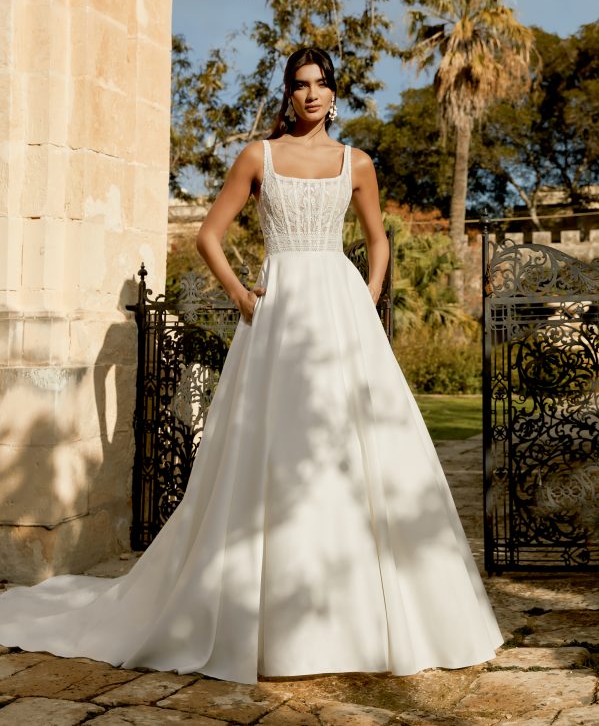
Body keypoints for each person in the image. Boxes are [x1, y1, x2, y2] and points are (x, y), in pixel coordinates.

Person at [0, 47, 503, 684]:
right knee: (276, 451)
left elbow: (379, 239)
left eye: (321, 84)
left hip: (343, 316)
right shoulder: (259, 157)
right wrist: (242, 297)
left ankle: (368, 616)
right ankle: (269, 615)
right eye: (300, 85)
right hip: (279, 317)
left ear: (334, 93)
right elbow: (210, 234)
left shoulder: (359, 163)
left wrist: (367, 299)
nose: (311, 94)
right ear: (289, 94)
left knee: (362, 455)